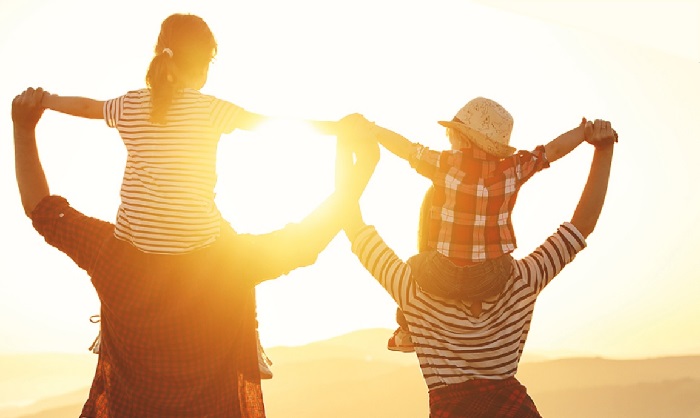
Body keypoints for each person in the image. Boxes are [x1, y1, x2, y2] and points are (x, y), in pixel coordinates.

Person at [12, 87, 378, 418]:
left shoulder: (109, 255)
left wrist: (23, 129)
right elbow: (307, 239)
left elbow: (42, 209)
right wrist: (358, 171)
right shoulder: (230, 263)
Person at [40, 13, 330, 377]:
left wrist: (47, 100)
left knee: (108, 257)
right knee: (237, 254)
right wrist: (335, 129)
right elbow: (266, 123)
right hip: (195, 237)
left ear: (163, 53)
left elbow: (87, 107)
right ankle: (250, 343)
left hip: (135, 240)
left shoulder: (130, 105)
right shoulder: (210, 109)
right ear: (205, 64)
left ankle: (106, 332)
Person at [341, 117, 617, 416]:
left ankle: (405, 332)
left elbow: (352, 223)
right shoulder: (521, 280)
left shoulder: (412, 290)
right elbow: (581, 225)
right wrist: (603, 149)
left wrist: (345, 150)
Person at [367, 97, 595, 352]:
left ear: (463, 138)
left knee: (413, 265)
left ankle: (407, 329)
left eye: (451, 136)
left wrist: (373, 129)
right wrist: (582, 132)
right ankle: (476, 306)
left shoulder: (445, 164)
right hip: (493, 278)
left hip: (443, 274)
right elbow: (551, 151)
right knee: (503, 257)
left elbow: (407, 148)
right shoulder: (513, 168)